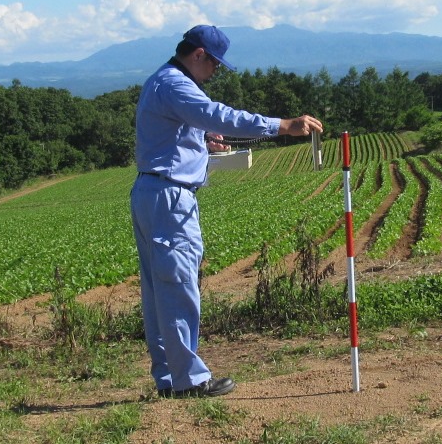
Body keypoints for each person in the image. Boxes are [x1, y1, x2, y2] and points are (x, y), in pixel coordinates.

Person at [130, 25, 323, 398]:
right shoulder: (176, 84)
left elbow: (176, 133)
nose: (215, 73)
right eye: (215, 65)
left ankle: (170, 379)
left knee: (159, 291)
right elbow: (218, 114)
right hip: (170, 197)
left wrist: (201, 142)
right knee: (178, 287)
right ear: (199, 55)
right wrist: (281, 126)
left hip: (153, 192)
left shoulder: (162, 80)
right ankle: (190, 381)